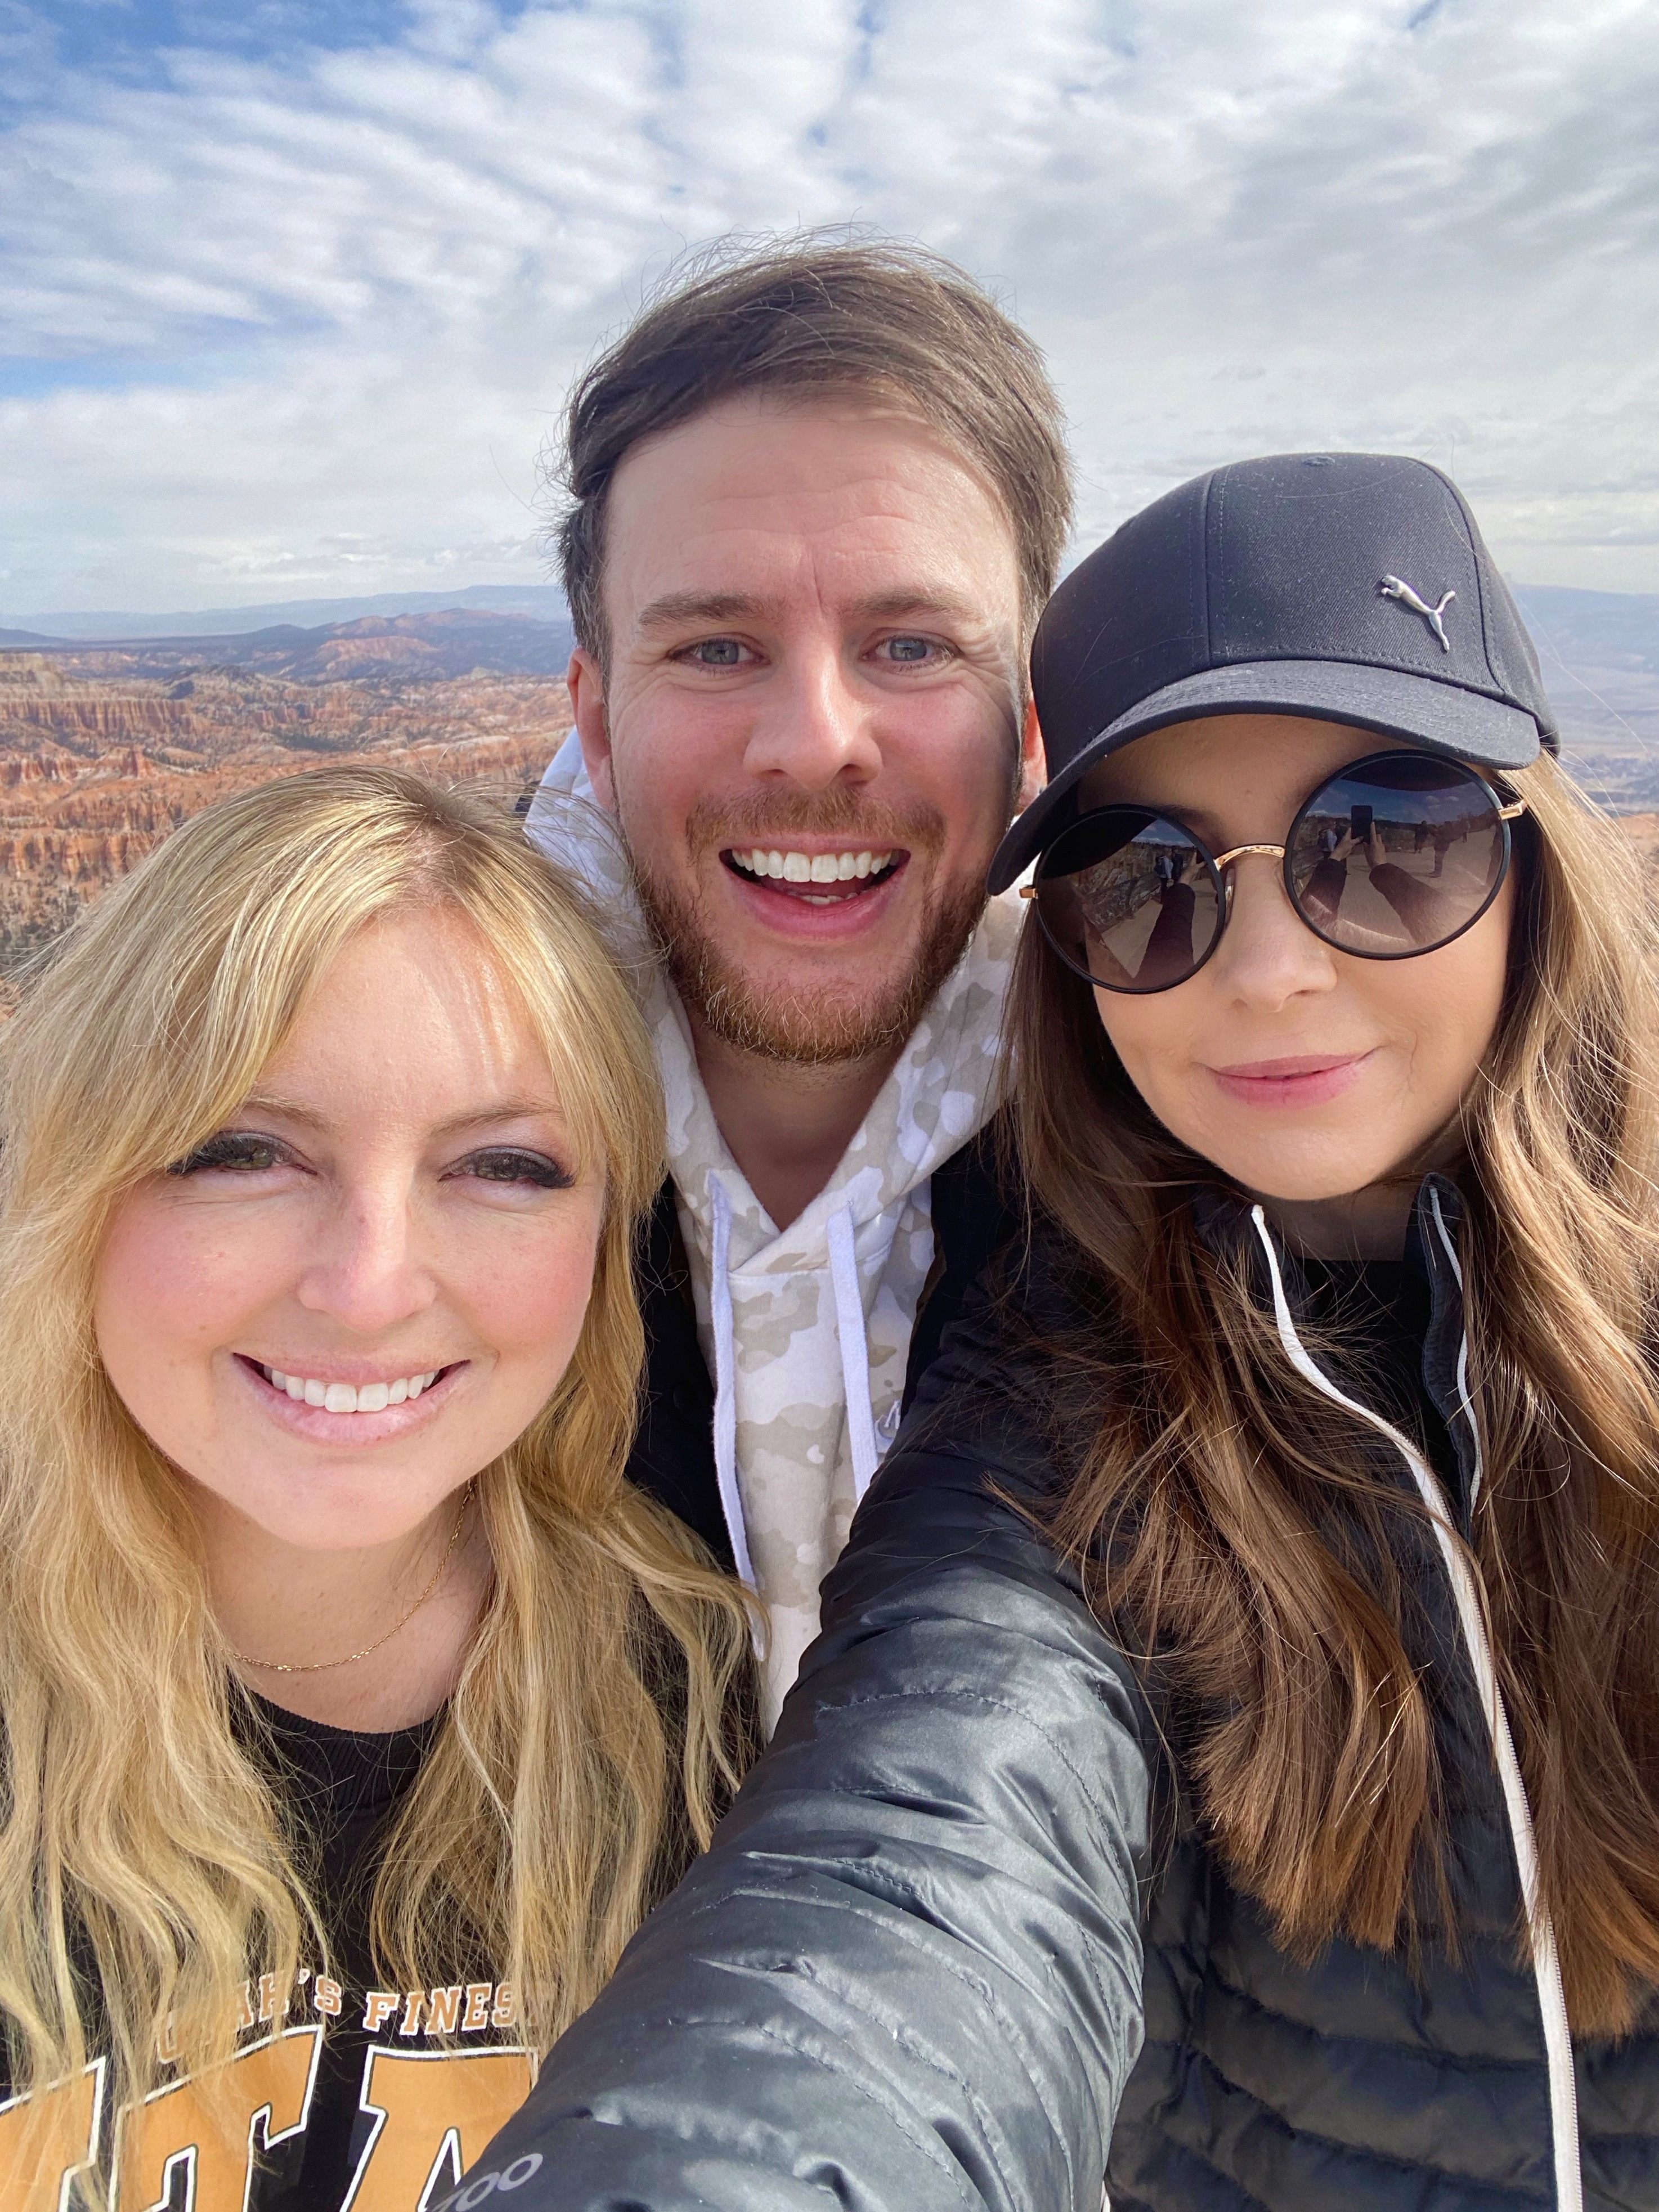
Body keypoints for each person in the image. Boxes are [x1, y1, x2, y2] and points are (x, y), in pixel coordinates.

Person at [460, 454, 1659, 2211]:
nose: (1266, 967)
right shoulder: (1066, 1383)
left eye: (1383, 842)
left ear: (1531, 850)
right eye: (1146, 876)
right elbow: (926, 1844)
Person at [0, 765, 754, 2210]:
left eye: (502, 1167)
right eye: (243, 1151)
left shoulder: (708, 1705)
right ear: (79, 1180)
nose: (368, 1288)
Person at [523, 235, 1071, 1723]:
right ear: (597, 721)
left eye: (909, 644)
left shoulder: (1180, 1136)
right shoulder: (400, 1138)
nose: (814, 741)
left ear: (1029, 723)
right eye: (716, 648)